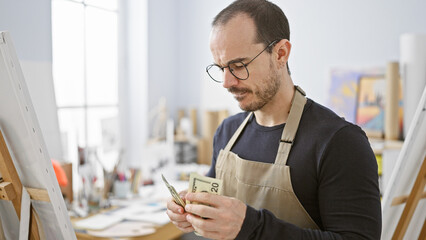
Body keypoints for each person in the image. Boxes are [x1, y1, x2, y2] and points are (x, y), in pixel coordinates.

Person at [166, 0, 382, 239]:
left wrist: (252, 227)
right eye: (221, 68)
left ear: (281, 53)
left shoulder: (339, 142)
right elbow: (214, 207)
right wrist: (191, 210)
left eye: (238, 65)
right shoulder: (228, 133)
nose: (227, 82)